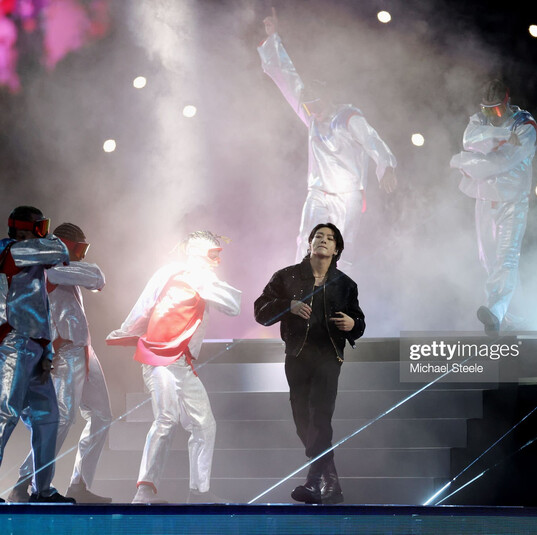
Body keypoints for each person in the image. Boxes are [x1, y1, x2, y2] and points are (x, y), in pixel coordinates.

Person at [106, 231, 241, 504]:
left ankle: (199, 492)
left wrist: (205, 282)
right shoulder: (168, 273)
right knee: (166, 419)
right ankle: (144, 491)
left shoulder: (204, 280)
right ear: (197, 253)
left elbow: (233, 306)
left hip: (181, 362)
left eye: (217, 256)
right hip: (158, 358)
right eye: (212, 255)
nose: (216, 262)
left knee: (205, 424)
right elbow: (145, 304)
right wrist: (124, 331)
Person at [258, 7, 398, 267]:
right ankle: (301, 292)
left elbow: (372, 141)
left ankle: (331, 296)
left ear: (328, 99)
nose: (313, 113)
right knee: (307, 240)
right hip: (319, 191)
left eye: (316, 107)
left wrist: (386, 166)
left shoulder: (348, 118)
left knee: (339, 245)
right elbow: (287, 77)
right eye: (308, 108)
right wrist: (273, 38)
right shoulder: (312, 115)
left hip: (347, 195)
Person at [254, 222, 365, 504]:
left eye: (329, 238)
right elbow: (260, 311)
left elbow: (359, 323)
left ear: (337, 248)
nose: (323, 241)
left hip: (329, 356)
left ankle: (313, 482)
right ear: (309, 244)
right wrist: (287, 306)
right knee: (302, 420)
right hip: (297, 356)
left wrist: (352, 323)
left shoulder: (345, 284)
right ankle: (332, 483)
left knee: (320, 416)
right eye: (318, 236)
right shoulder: (286, 277)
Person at [0, 205, 74, 504]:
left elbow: (42, 307)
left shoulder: (32, 255)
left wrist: (47, 351)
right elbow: (60, 251)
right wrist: (52, 241)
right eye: (41, 226)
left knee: (48, 418)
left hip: (35, 346)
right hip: (13, 342)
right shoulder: (8, 250)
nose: (46, 231)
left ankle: (42, 491)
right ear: (27, 228)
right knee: (3, 415)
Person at [8, 223, 112, 503]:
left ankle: (79, 485)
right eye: (79, 248)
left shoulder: (59, 269)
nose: (82, 254)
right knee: (62, 419)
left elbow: (95, 278)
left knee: (101, 417)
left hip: (83, 350)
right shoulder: (45, 269)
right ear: (67, 245)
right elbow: (96, 277)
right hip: (64, 353)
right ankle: (23, 482)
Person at [449, 79, 537, 334]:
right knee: (488, 261)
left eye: (497, 111)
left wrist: (463, 163)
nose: (492, 116)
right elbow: (470, 139)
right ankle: (516, 316)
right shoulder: (482, 120)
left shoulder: (525, 126)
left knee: (506, 260)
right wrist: (500, 136)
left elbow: (498, 164)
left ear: (507, 102)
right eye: (487, 110)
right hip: (484, 200)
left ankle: (495, 313)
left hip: (512, 203)